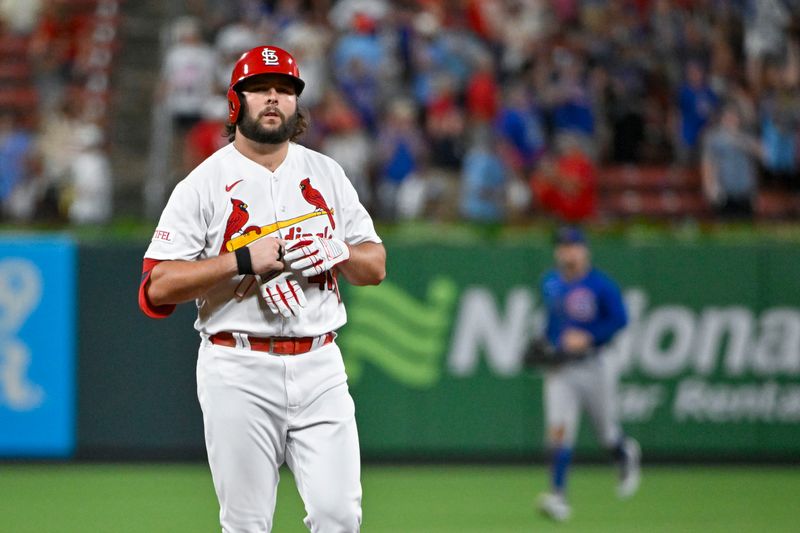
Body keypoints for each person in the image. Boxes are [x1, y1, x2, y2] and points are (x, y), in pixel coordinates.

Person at [138, 45, 386, 533]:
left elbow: (374, 265)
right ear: (236, 103)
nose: (274, 99)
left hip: (321, 364)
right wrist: (243, 259)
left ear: (297, 105)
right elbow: (157, 286)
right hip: (238, 365)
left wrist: (339, 250)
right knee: (247, 525)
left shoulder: (326, 174)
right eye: (260, 89)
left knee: (340, 517)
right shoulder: (202, 184)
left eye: (285, 90)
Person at [532, 226, 640, 522]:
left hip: (595, 365)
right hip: (562, 369)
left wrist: (590, 337)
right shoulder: (550, 282)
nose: (567, 252)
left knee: (605, 432)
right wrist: (544, 343)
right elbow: (553, 323)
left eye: (573, 246)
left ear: (584, 250)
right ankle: (558, 497)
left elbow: (620, 320)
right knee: (558, 431)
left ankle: (623, 453)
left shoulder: (601, 285)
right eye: (562, 246)